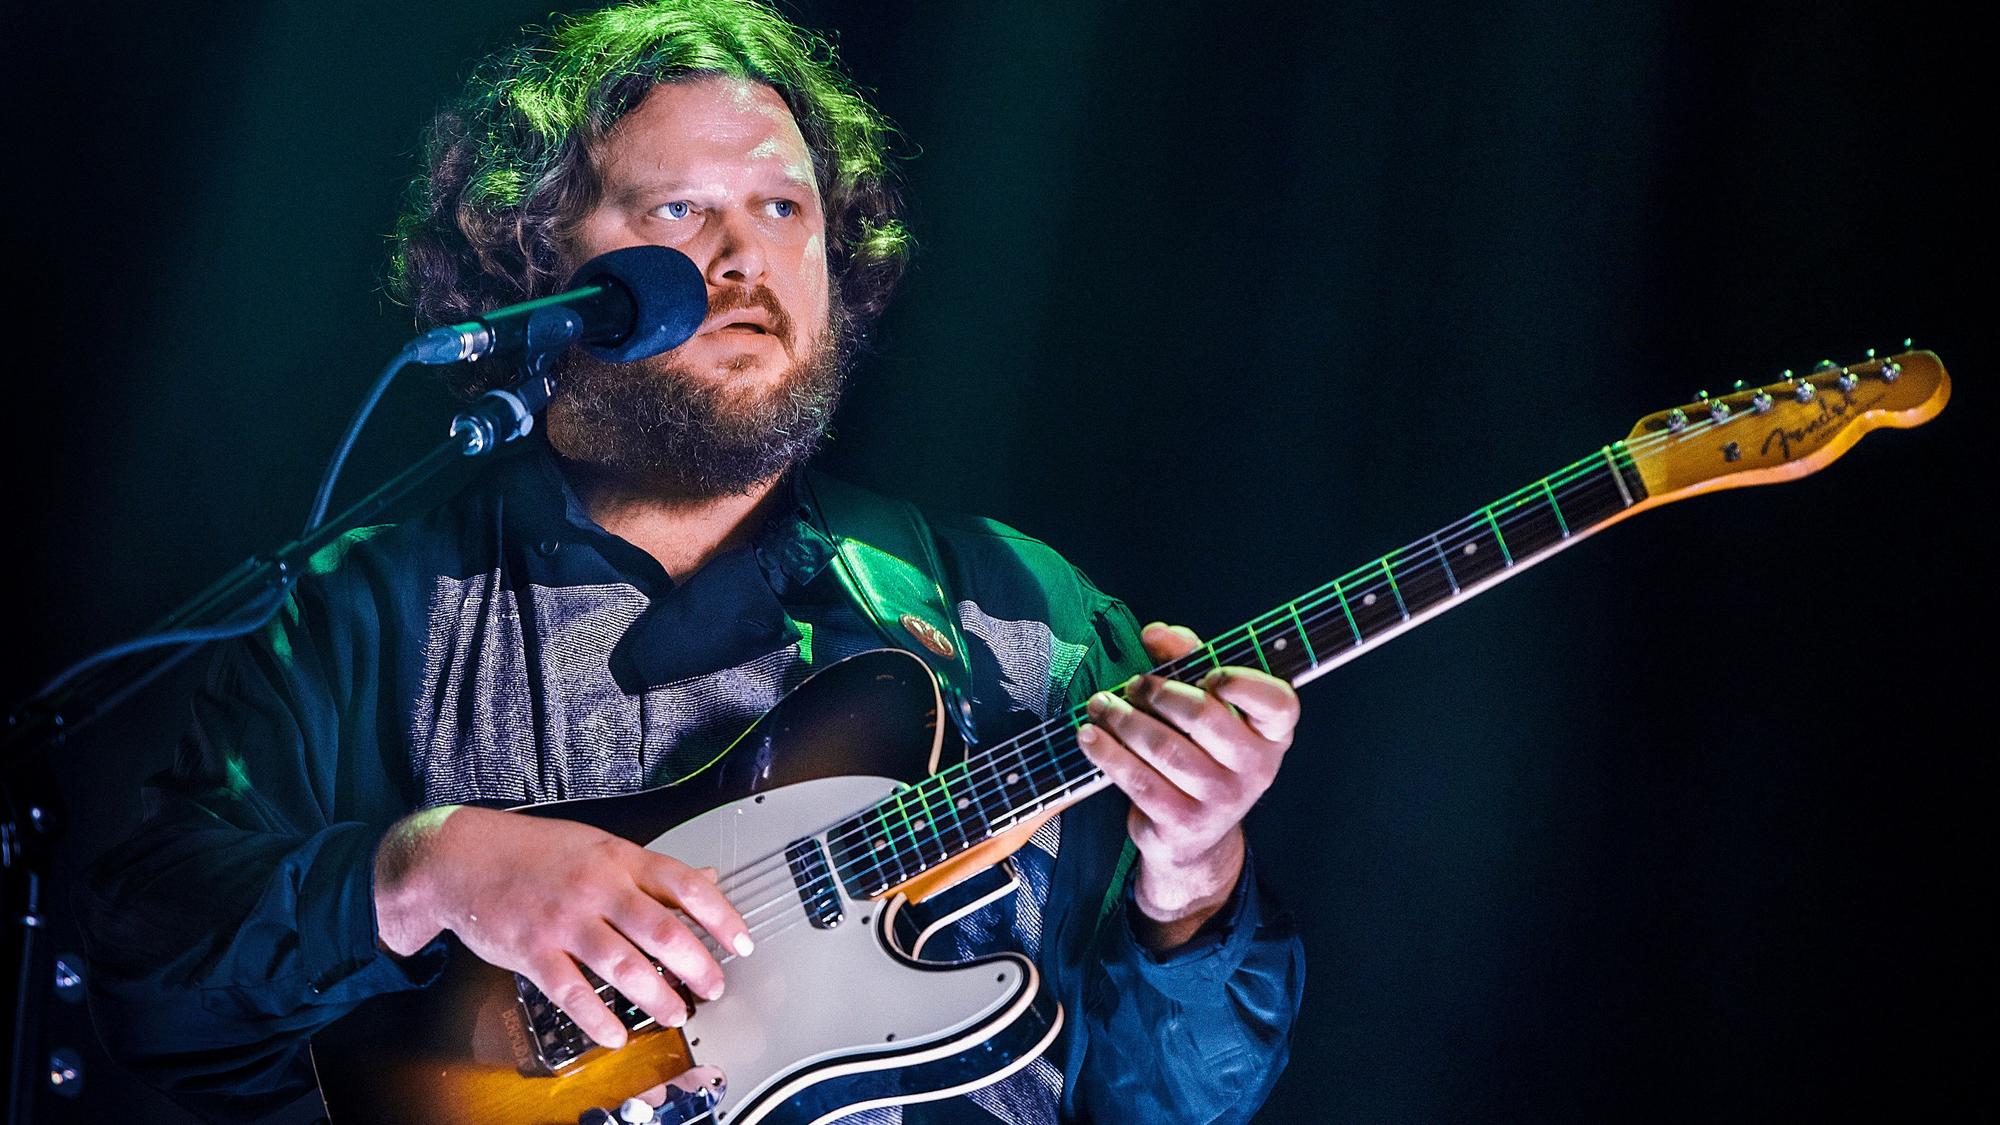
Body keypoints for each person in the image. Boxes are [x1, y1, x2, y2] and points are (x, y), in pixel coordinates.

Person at [80, 2, 1306, 1122]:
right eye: (675, 211)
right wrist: (420, 873)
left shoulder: (1020, 614)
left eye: (783, 210)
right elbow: (142, 985)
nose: (741, 262)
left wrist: (1190, 883)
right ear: (533, 259)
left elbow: (1176, 1104)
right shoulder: (368, 608)